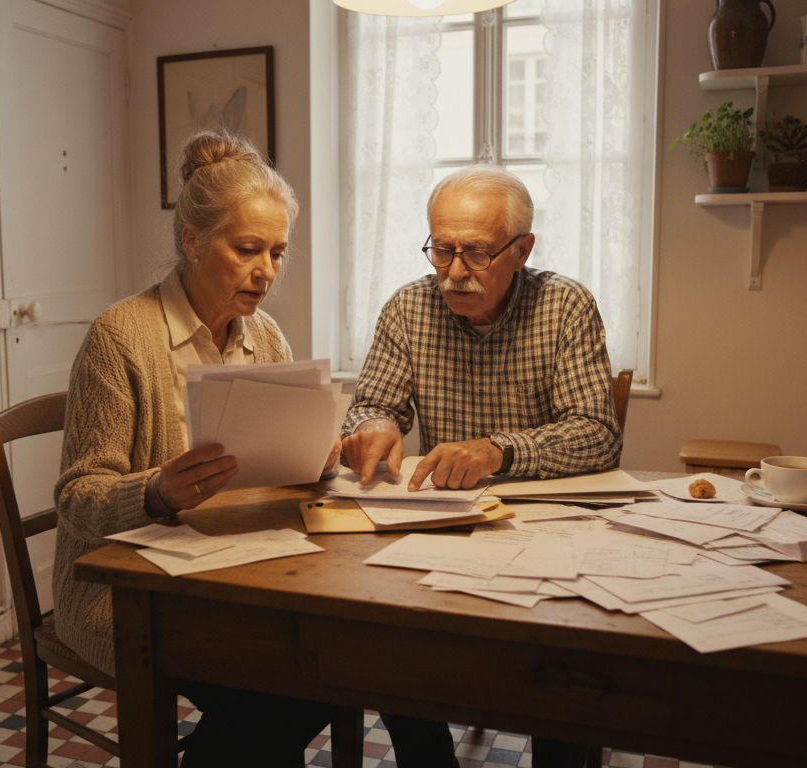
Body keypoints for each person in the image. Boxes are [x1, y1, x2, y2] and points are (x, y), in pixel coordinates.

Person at [53, 131, 340, 767]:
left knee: (324, 665)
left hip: (229, 570)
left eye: (277, 252)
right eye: (247, 250)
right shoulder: (120, 337)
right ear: (191, 242)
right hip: (120, 592)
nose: (266, 271)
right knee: (276, 690)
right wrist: (155, 492)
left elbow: (273, 481)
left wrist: (314, 460)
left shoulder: (265, 337)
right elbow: (77, 499)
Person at [342, 164, 623, 768]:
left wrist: (498, 450)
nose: (454, 272)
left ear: (522, 250)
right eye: (442, 250)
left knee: (563, 661)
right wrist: (372, 427)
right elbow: (370, 405)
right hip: (450, 521)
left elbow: (598, 436)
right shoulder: (408, 307)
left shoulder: (565, 305)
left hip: (550, 528)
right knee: (385, 632)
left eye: (475, 253)